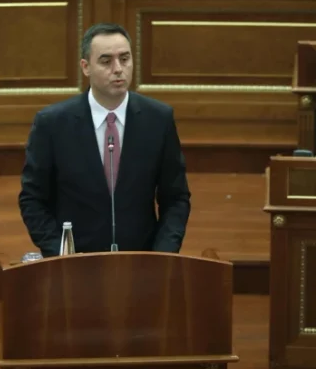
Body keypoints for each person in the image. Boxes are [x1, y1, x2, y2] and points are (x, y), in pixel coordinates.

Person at [18, 23, 191, 257]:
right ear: (86, 67)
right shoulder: (52, 124)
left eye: (125, 59)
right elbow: (32, 199)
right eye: (106, 61)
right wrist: (62, 253)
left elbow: (176, 198)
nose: (118, 69)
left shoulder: (158, 119)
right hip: (75, 264)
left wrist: (162, 256)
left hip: (142, 261)